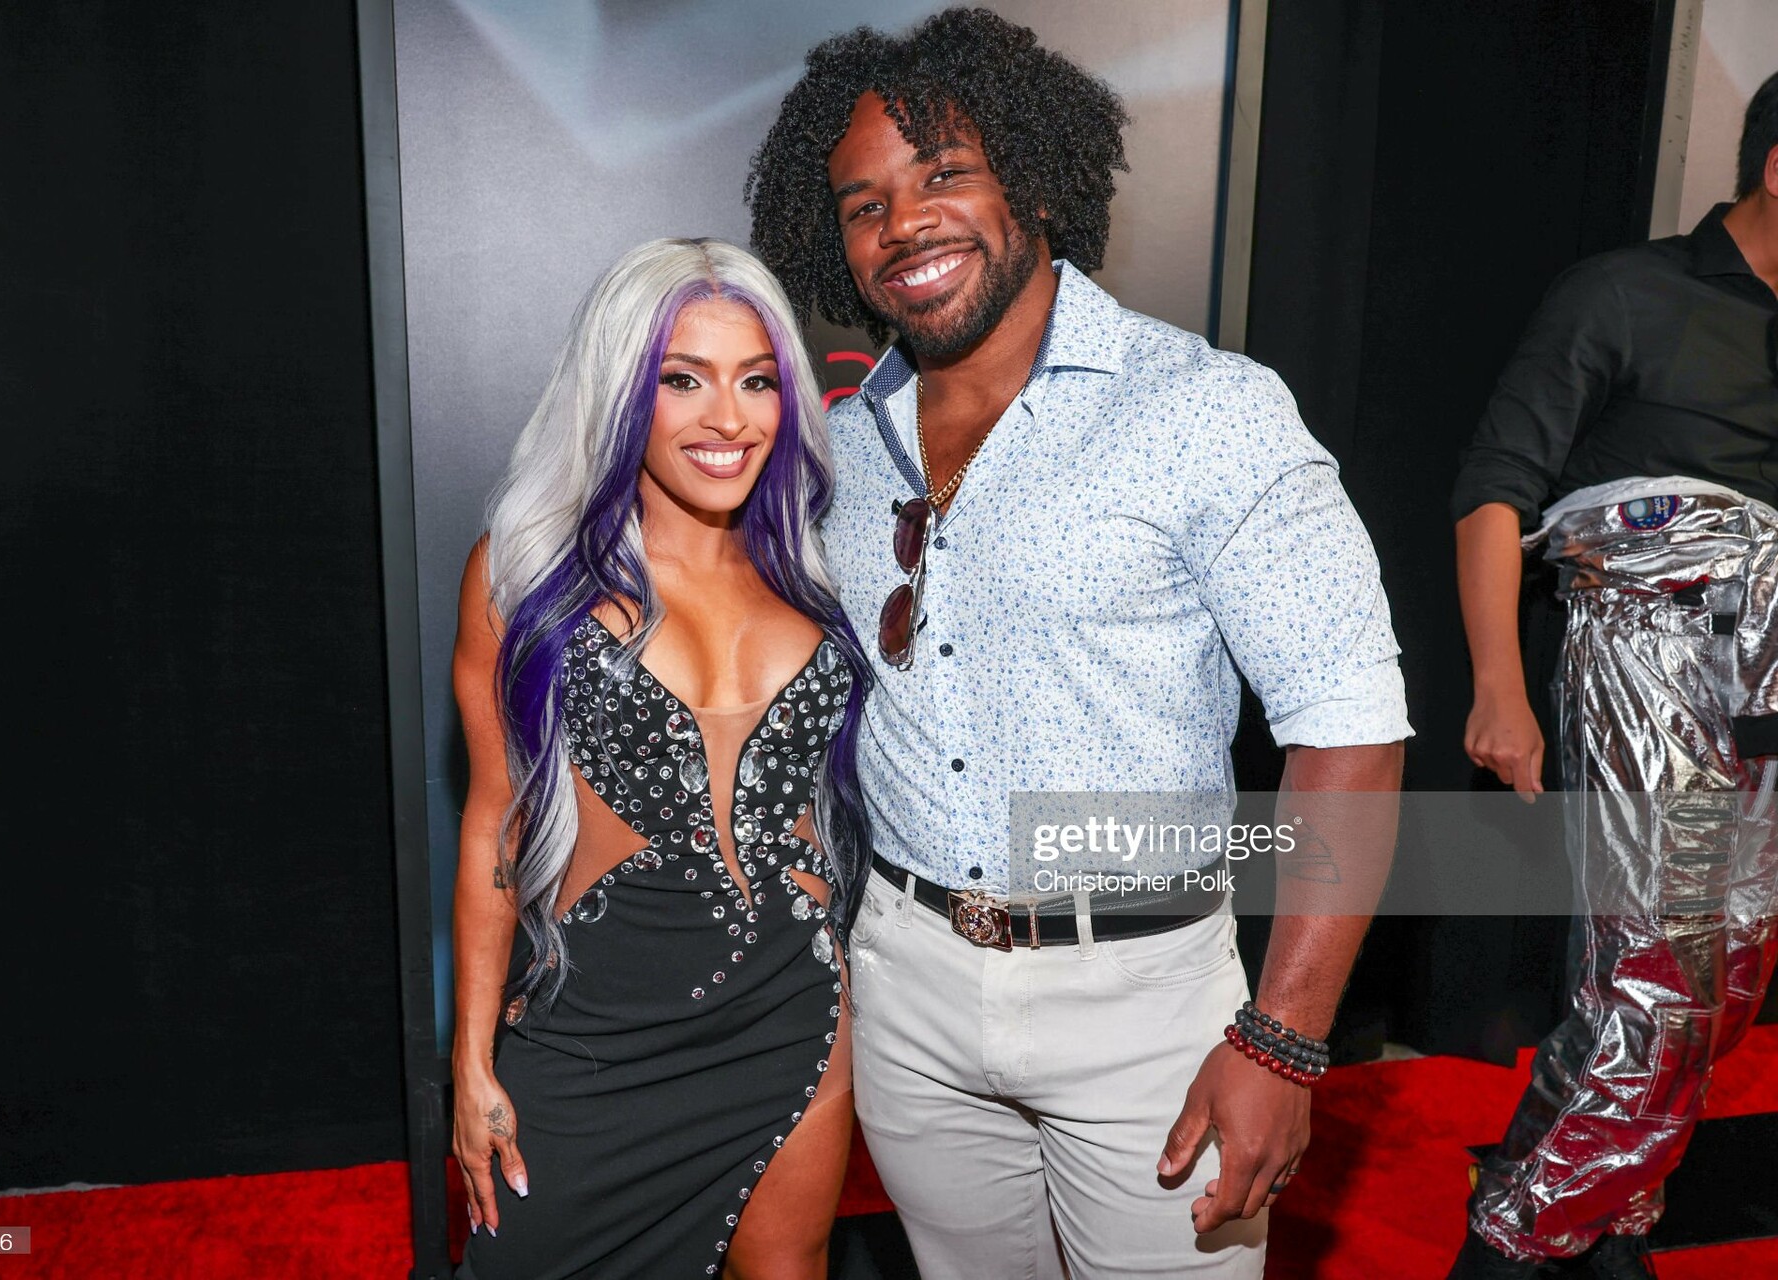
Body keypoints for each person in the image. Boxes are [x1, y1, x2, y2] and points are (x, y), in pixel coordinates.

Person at [746, 10, 1410, 1277]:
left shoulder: (1206, 410)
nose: (905, 224)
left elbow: (1351, 731)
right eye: (865, 205)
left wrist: (1282, 1038)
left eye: (945, 173)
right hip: (907, 989)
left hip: (1146, 998)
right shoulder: (837, 446)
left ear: (1037, 183)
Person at [449, 238, 875, 1280]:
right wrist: (470, 1057)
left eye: (757, 380)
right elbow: (496, 819)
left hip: (790, 1025)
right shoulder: (523, 581)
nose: (729, 418)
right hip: (596, 1036)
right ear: (619, 393)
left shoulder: (818, 567)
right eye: (683, 379)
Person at [1447, 72, 1778, 1280]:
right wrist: (1498, 684)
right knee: (1660, 979)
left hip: (1770, 693)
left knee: (1732, 974)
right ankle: (1512, 1241)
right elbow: (1497, 485)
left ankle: (1610, 1206)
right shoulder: (1626, 293)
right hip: (1652, 662)